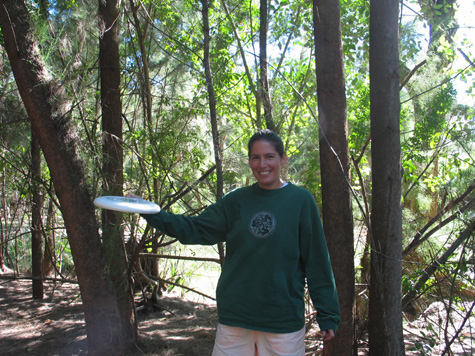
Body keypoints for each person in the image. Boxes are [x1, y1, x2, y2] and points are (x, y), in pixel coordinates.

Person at [138, 129, 340, 356]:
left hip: (281, 320)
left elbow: (317, 260)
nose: (262, 164)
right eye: (256, 157)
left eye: (269, 156)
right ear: (250, 161)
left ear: (283, 159)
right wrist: (149, 211)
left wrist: (328, 313)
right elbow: (194, 229)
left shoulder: (301, 200)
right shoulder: (236, 201)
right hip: (236, 318)